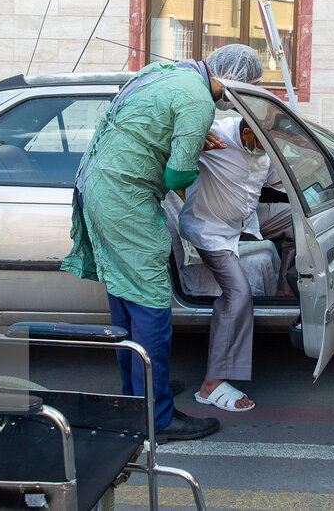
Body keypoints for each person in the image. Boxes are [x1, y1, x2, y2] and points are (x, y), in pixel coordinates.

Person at [62, 44, 263, 442]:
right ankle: (158, 418)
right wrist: (193, 147)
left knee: (124, 295)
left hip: (97, 185)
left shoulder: (168, 72)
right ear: (234, 78)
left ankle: (137, 394)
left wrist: (189, 139)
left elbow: (143, 123)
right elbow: (176, 178)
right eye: (248, 86)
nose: (241, 98)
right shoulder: (198, 102)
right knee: (152, 301)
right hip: (125, 199)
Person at [179, 117, 284, 412]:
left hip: (242, 223)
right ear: (247, 133)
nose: (267, 150)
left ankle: (286, 287)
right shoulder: (215, 136)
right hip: (210, 231)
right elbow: (171, 150)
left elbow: (278, 181)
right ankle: (211, 384)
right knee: (238, 293)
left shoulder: (262, 148)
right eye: (263, 143)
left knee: (298, 221)